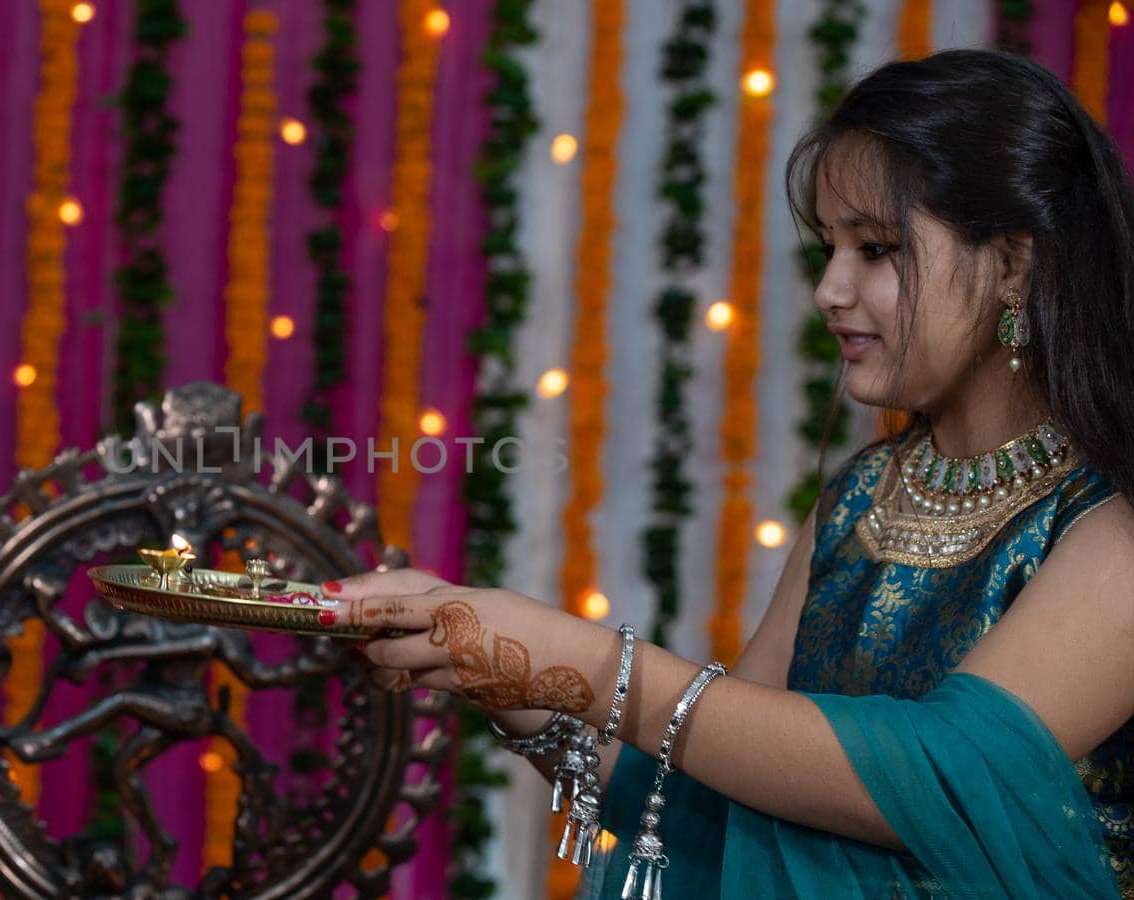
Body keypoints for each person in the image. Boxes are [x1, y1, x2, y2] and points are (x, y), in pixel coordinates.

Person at [320, 49, 1134, 898]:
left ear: (1013, 263)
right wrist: (495, 662)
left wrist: (581, 658)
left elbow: (940, 781)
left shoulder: (1111, 523)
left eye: (877, 249)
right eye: (829, 248)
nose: (829, 289)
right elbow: (704, 795)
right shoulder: (864, 500)